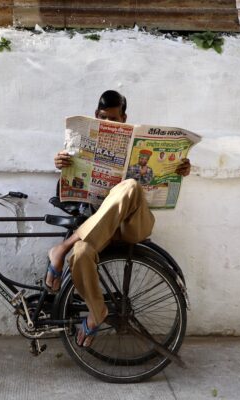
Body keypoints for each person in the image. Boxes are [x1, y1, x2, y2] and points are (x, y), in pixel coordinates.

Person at [49, 90, 191, 347]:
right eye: (104, 118)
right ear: (96, 116)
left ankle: (62, 247)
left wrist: (180, 168)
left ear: (124, 118)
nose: (110, 123)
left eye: (115, 119)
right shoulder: (83, 144)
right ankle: (97, 312)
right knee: (80, 255)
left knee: (130, 186)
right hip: (99, 230)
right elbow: (69, 190)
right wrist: (62, 164)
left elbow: (159, 178)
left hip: (133, 224)